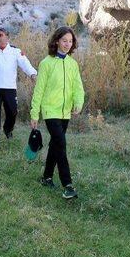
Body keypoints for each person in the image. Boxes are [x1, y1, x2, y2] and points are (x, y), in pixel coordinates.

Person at [30, 26, 84, 200]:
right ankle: (67, 185)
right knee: (61, 144)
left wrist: (78, 102)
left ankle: (46, 177)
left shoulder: (72, 64)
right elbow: (39, 89)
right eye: (64, 40)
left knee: (55, 145)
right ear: (56, 41)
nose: (67, 44)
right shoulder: (46, 63)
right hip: (50, 111)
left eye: (70, 41)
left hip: (65, 113)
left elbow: (78, 86)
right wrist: (34, 113)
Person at [0, 27, 37, 146]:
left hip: (10, 88)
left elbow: (25, 64)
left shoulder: (15, 52)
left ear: (7, 37)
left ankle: (8, 129)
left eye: (1, 35)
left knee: (13, 112)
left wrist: (32, 74)